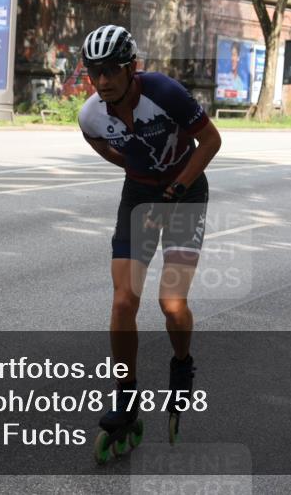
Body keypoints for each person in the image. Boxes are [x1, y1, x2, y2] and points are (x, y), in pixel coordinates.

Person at [77, 24, 221, 457]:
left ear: (131, 68)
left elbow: (210, 140)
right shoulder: (90, 115)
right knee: (123, 302)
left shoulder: (163, 91)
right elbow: (108, 149)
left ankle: (182, 364)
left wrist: (174, 190)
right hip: (139, 196)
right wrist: (143, 177)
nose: (103, 81)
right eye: (94, 72)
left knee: (171, 304)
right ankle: (125, 399)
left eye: (111, 70)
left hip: (185, 191)